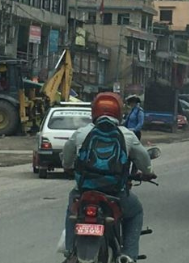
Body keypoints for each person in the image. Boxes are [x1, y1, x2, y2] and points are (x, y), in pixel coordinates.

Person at [58, 92, 155, 262]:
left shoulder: (82, 132)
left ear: (94, 111)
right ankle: (128, 255)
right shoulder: (127, 134)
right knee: (135, 212)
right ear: (118, 112)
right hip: (115, 194)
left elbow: (67, 155)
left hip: (84, 192)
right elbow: (144, 159)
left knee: (71, 206)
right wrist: (146, 172)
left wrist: (67, 167)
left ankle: (69, 250)